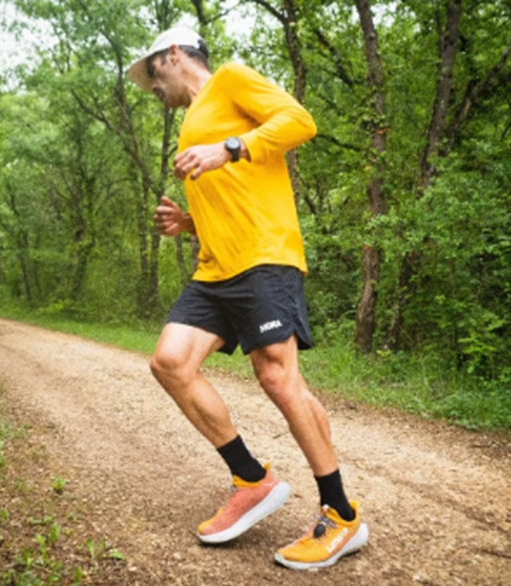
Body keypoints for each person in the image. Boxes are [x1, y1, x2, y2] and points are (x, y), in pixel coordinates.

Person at [127, 27, 368, 570]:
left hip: (264, 258)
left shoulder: (231, 80)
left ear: (173, 55)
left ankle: (341, 514)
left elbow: (300, 122)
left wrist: (229, 147)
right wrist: (187, 224)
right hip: (215, 268)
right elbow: (232, 197)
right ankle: (252, 479)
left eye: (153, 75)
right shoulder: (190, 123)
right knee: (170, 361)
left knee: (279, 377)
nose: (152, 88)